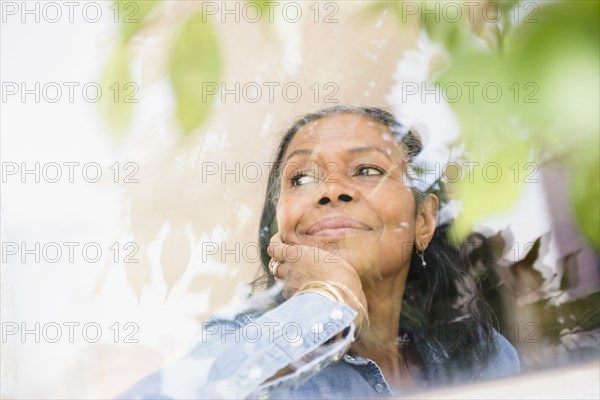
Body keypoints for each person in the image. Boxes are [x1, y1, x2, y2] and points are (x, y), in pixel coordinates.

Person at [118, 106, 520, 399]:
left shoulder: (484, 358)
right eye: (302, 178)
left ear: (424, 222)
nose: (330, 189)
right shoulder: (244, 351)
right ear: (282, 227)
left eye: (366, 169)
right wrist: (328, 300)